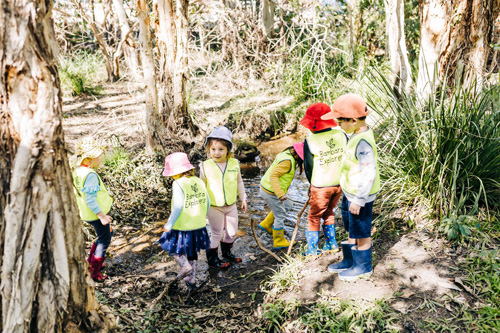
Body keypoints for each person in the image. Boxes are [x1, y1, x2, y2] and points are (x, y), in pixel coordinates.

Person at [321, 93, 380, 281]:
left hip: (360, 197)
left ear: (353, 120)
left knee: (362, 231)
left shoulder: (363, 142)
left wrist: (360, 199)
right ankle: (349, 260)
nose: (338, 124)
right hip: (351, 193)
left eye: (340, 120)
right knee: (352, 228)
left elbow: (368, 172)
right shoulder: (356, 134)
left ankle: (363, 266)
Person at [299, 103, 347, 257]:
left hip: (320, 186)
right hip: (338, 184)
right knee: (329, 212)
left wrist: (311, 185)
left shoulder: (310, 141)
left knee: (314, 216)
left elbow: (308, 167)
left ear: (312, 125)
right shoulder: (341, 135)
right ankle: (331, 244)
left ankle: (312, 249)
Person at [158, 152, 211, 288]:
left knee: (168, 243)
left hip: (183, 225)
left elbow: (178, 206)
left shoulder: (178, 183)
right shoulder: (199, 181)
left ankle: (184, 266)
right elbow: (208, 202)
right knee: (192, 252)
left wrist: (169, 224)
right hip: (198, 224)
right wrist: (202, 217)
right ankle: (191, 280)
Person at [200, 126, 247, 269]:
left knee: (232, 233)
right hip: (214, 207)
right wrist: (201, 207)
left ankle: (226, 253)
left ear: (228, 150)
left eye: (221, 149)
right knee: (216, 233)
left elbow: (239, 182)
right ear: (209, 149)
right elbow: (202, 186)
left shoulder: (234, 164)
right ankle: (213, 259)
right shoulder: (205, 166)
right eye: (213, 149)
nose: (217, 153)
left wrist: (243, 198)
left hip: (231, 206)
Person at [73, 138, 113, 282]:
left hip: (86, 213)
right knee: (104, 239)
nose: (101, 159)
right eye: (99, 157)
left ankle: (91, 262)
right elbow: (90, 199)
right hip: (95, 214)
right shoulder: (90, 175)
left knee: (107, 233)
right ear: (88, 160)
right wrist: (102, 216)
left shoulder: (78, 171)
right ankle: (94, 272)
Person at [258, 143, 304, 249]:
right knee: (280, 215)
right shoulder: (288, 162)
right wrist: (280, 194)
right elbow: (273, 176)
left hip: (267, 188)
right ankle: (279, 241)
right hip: (271, 191)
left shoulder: (286, 154)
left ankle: (266, 224)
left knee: (288, 205)